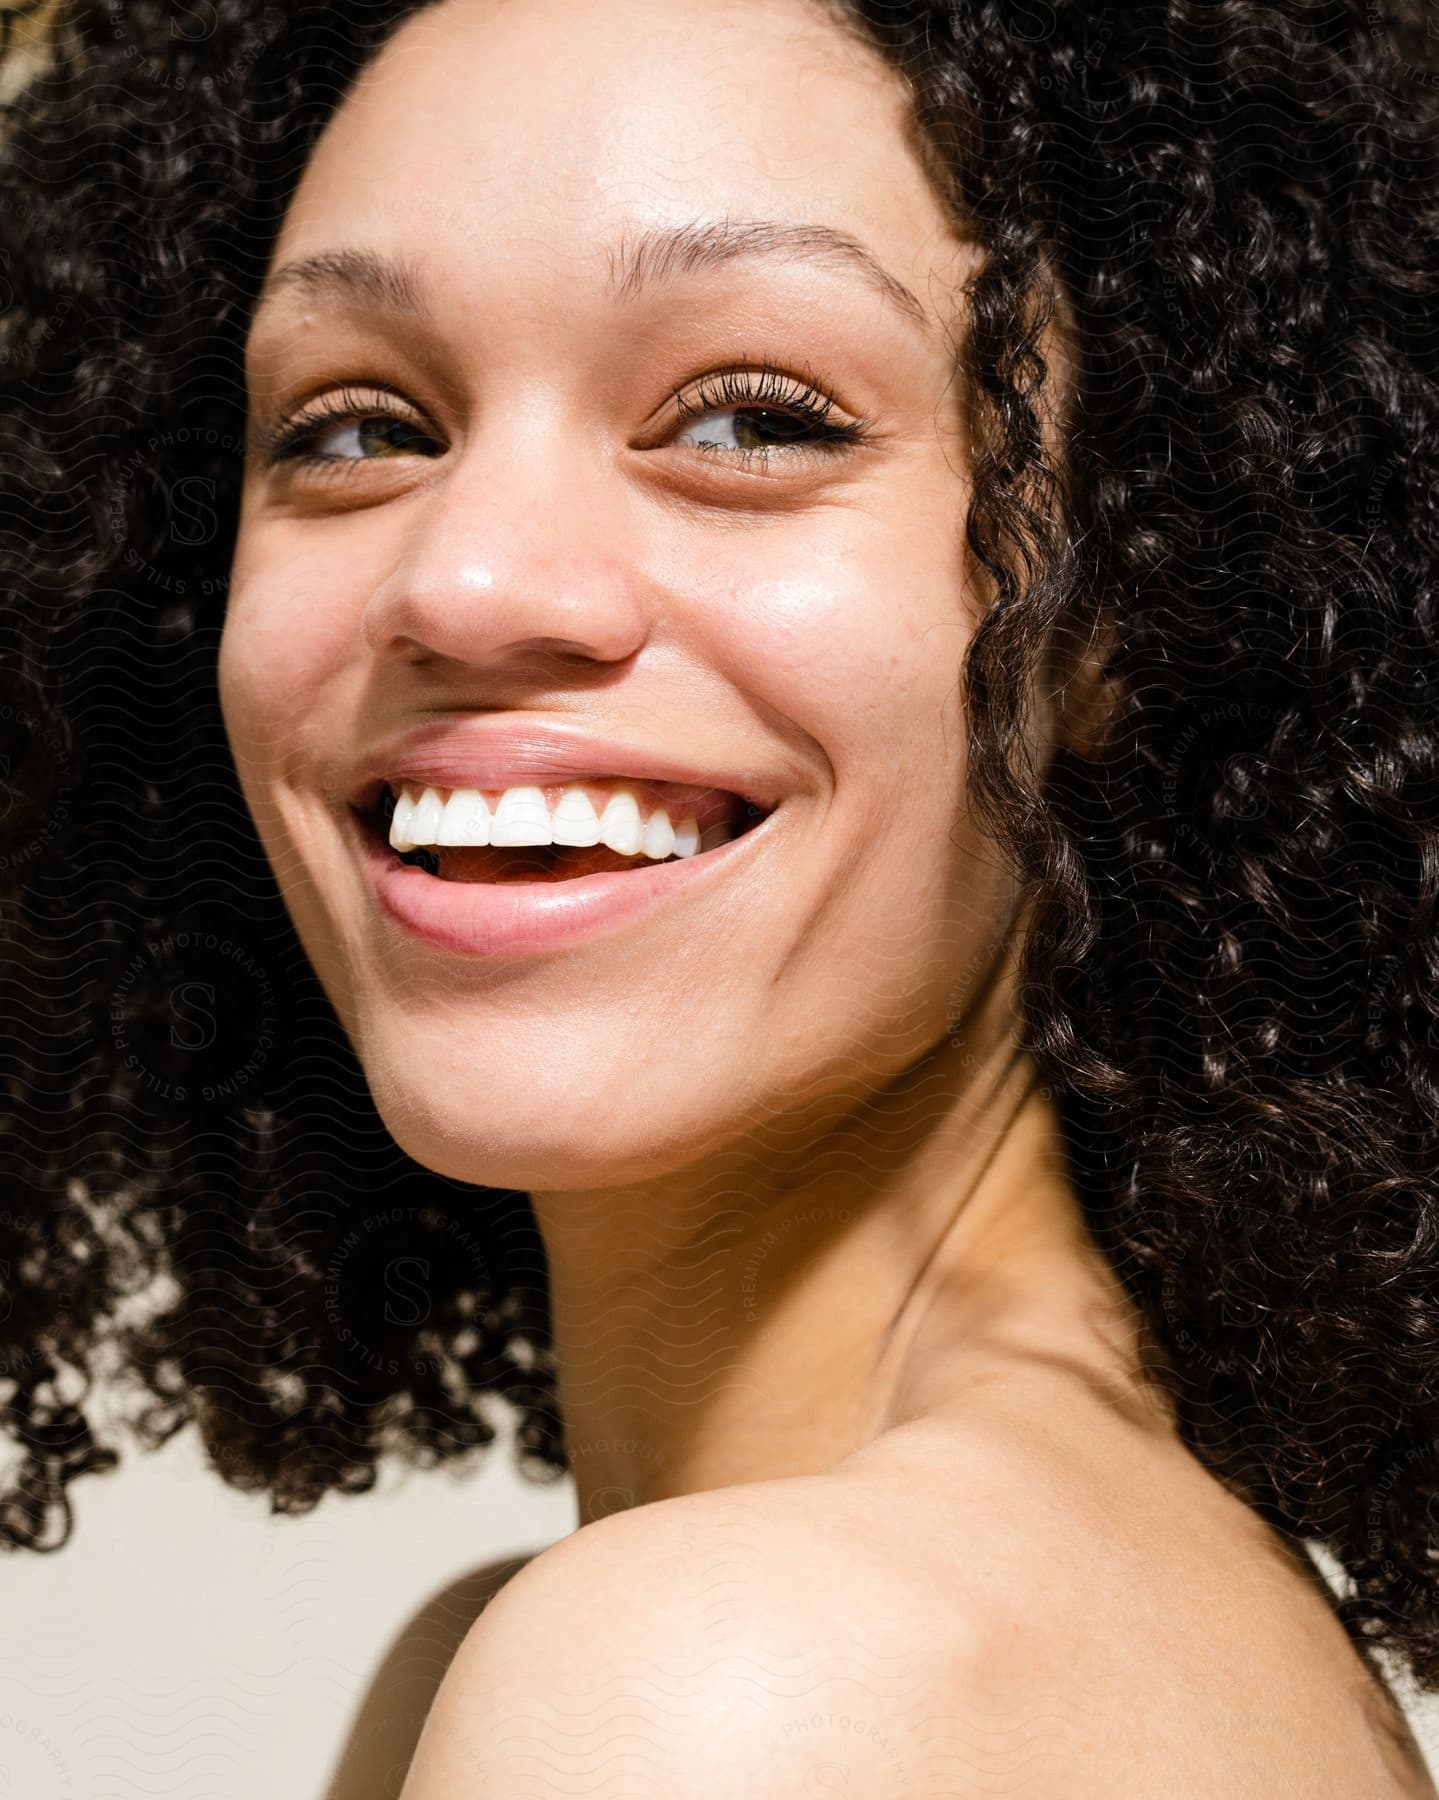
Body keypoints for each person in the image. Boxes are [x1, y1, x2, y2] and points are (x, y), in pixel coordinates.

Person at [1, 0, 1436, 1791]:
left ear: (1125, 605)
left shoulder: (732, 1683)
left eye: (755, 418)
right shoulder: (1041, 1600)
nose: (470, 578)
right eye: (356, 427)